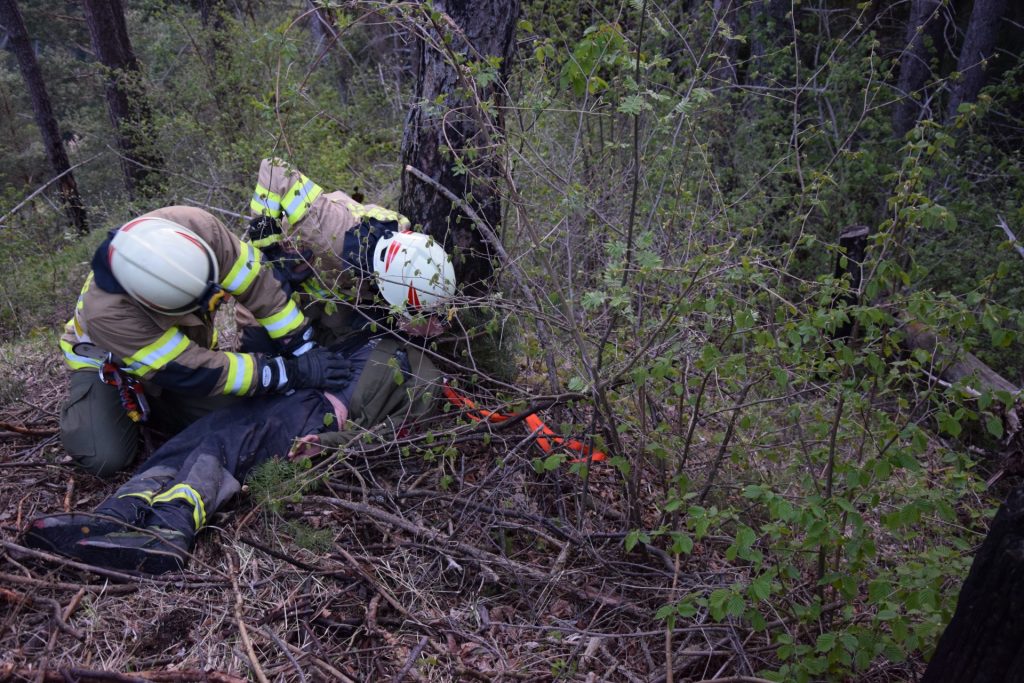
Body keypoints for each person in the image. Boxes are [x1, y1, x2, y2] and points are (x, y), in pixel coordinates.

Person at [24, 323, 444, 574]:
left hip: (318, 417)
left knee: (226, 445)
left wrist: (332, 444)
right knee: (195, 436)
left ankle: (171, 528)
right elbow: (281, 338)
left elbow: (393, 437)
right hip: (285, 390)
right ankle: (116, 514)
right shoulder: (358, 326)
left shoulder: (427, 373)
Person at [59, 206, 354, 478]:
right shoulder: (108, 314)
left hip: (180, 354)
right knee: (104, 457)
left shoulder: (197, 228)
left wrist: (303, 347)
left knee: (249, 409)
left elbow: (261, 286)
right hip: (114, 366)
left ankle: (173, 407)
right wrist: (290, 372)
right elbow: (191, 369)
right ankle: (131, 408)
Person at [240, 157, 456, 352]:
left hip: (332, 286)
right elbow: (274, 168)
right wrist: (268, 247)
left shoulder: (409, 251)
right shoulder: (326, 232)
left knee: (337, 325)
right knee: (261, 345)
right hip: (267, 276)